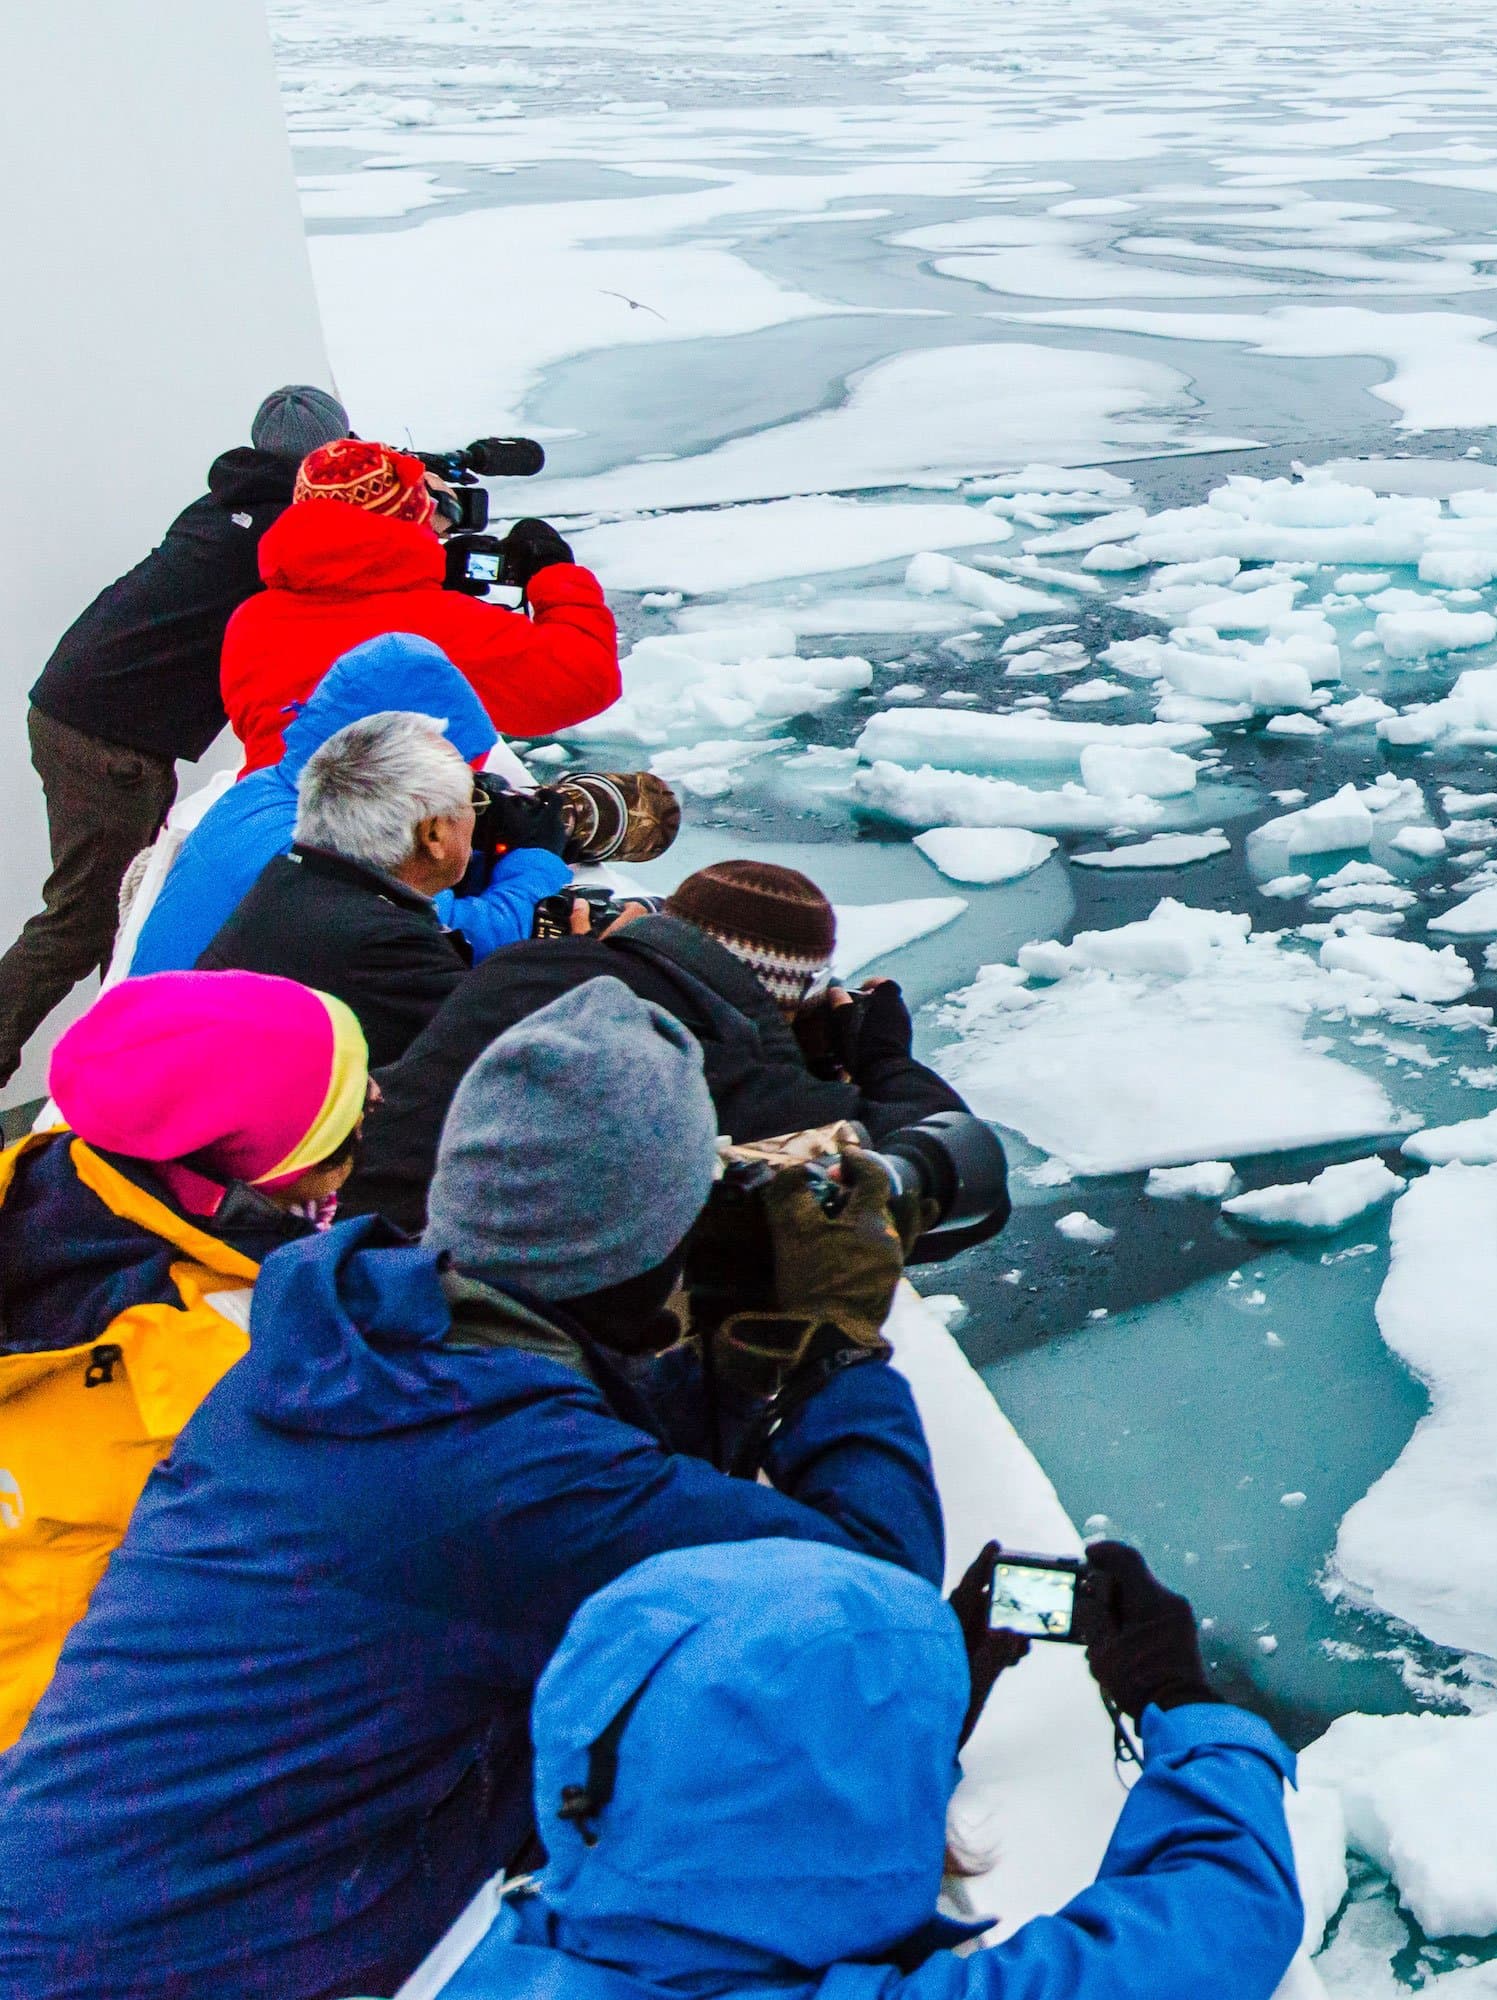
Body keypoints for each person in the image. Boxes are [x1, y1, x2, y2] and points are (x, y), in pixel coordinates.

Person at [0, 978, 941, 2000]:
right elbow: (870, 1601)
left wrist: (711, 1344)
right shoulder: (511, 1479)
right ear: (645, 1251)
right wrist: (834, 1352)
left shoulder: (334, 1346)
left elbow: (559, 1450)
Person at [438, 1539, 1307, 2000]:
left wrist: (907, 1728)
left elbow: (713, 1804)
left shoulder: (495, 1954)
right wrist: (1179, 1698)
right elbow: (1222, 1918)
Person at [0, 969, 371, 1748]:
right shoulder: (245, 1355)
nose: (375, 1106)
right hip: (55, 1754)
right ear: (267, 1168)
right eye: (346, 1117)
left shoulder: (36, 1181)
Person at [0, 386, 350, 1084]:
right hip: (108, 739)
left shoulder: (224, 507)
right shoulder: (277, 535)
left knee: (129, 911)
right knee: (87, 919)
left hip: (80, 713)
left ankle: (117, 1073)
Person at [344, 858, 975, 1234]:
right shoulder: (709, 1065)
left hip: (335, 1232)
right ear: (783, 997)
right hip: (424, 1291)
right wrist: (883, 1054)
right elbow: (952, 1150)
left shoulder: (522, 968)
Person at [132, 632, 573, 976]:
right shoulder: (321, 845)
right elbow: (462, 939)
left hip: (168, 1051)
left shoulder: (268, 789)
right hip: (198, 1077)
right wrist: (535, 857)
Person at [221, 436, 620, 774]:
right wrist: (555, 573)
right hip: (382, 847)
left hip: (266, 826)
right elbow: (585, 679)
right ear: (409, 520)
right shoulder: (433, 631)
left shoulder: (250, 622)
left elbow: (344, 611)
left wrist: (420, 570)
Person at [193, 710, 482, 1063]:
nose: (478, 818)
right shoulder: (388, 948)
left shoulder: (288, 882)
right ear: (433, 834)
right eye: (473, 802)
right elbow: (502, 1062)